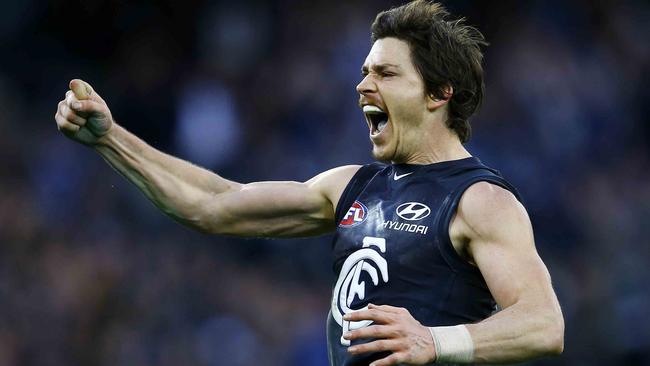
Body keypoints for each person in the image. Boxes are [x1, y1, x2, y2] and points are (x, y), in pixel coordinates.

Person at [54, 1, 564, 365]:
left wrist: (434, 341)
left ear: (438, 93)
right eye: (365, 71)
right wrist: (110, 138)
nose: (363, 84)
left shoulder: (480, 200)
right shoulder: (352, 187)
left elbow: (543, 323)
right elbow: (214, 204)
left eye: (385, 73)